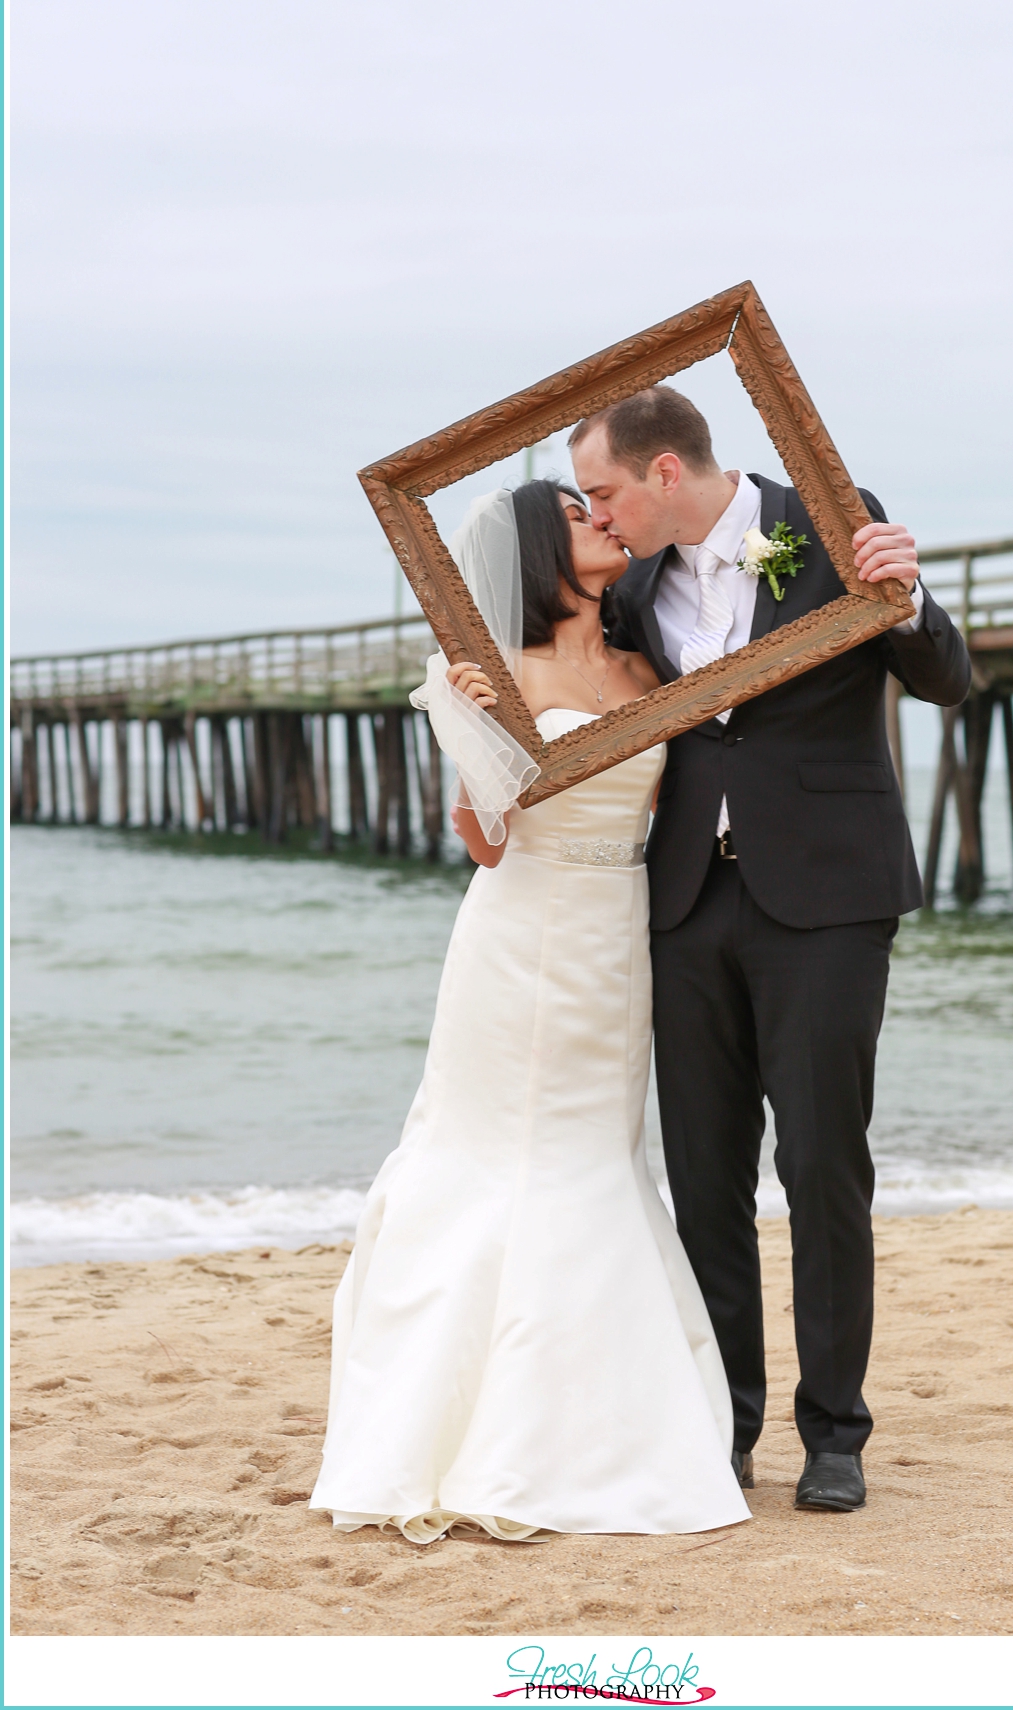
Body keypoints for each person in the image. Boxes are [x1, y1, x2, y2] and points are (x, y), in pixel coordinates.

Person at [309, 478, 750, 1543]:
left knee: (595, 1156)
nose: (602, 519)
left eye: (594, 505)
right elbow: (486, 843)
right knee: (488, 1153)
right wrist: (469, 731)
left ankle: (589, 1418)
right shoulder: (496, 673)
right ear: (535, 553)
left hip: (620, 938)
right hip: (517, 932)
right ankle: (455, 1425)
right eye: (574, 515)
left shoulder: (647, 664)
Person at [570, 385, 971, 1513]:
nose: (597, 517)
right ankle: (726, 1425)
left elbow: (948, 680)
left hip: (831, 900)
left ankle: (835, 1434)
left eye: (604, 492)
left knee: (823, 1166)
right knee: (705, 1178)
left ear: (663, 473)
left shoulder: (837, 519)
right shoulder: (633, 587)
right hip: (687, 902)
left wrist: (910, 594)